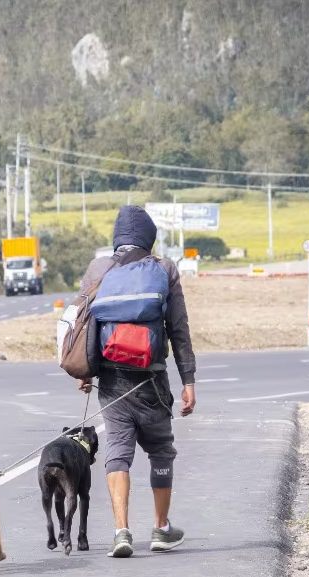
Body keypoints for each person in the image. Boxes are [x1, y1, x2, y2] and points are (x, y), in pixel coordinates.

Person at [77, 206, 196, 558]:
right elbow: (178, 329)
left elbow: (84, 324)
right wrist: (188, 379)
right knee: (160, 450)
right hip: (153, 381)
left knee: (117, 452)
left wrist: (84, 371)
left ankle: (121, 532)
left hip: (112, 382)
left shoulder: (98, 269)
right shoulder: (164, 268)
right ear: (149, 237)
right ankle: (161, 528)